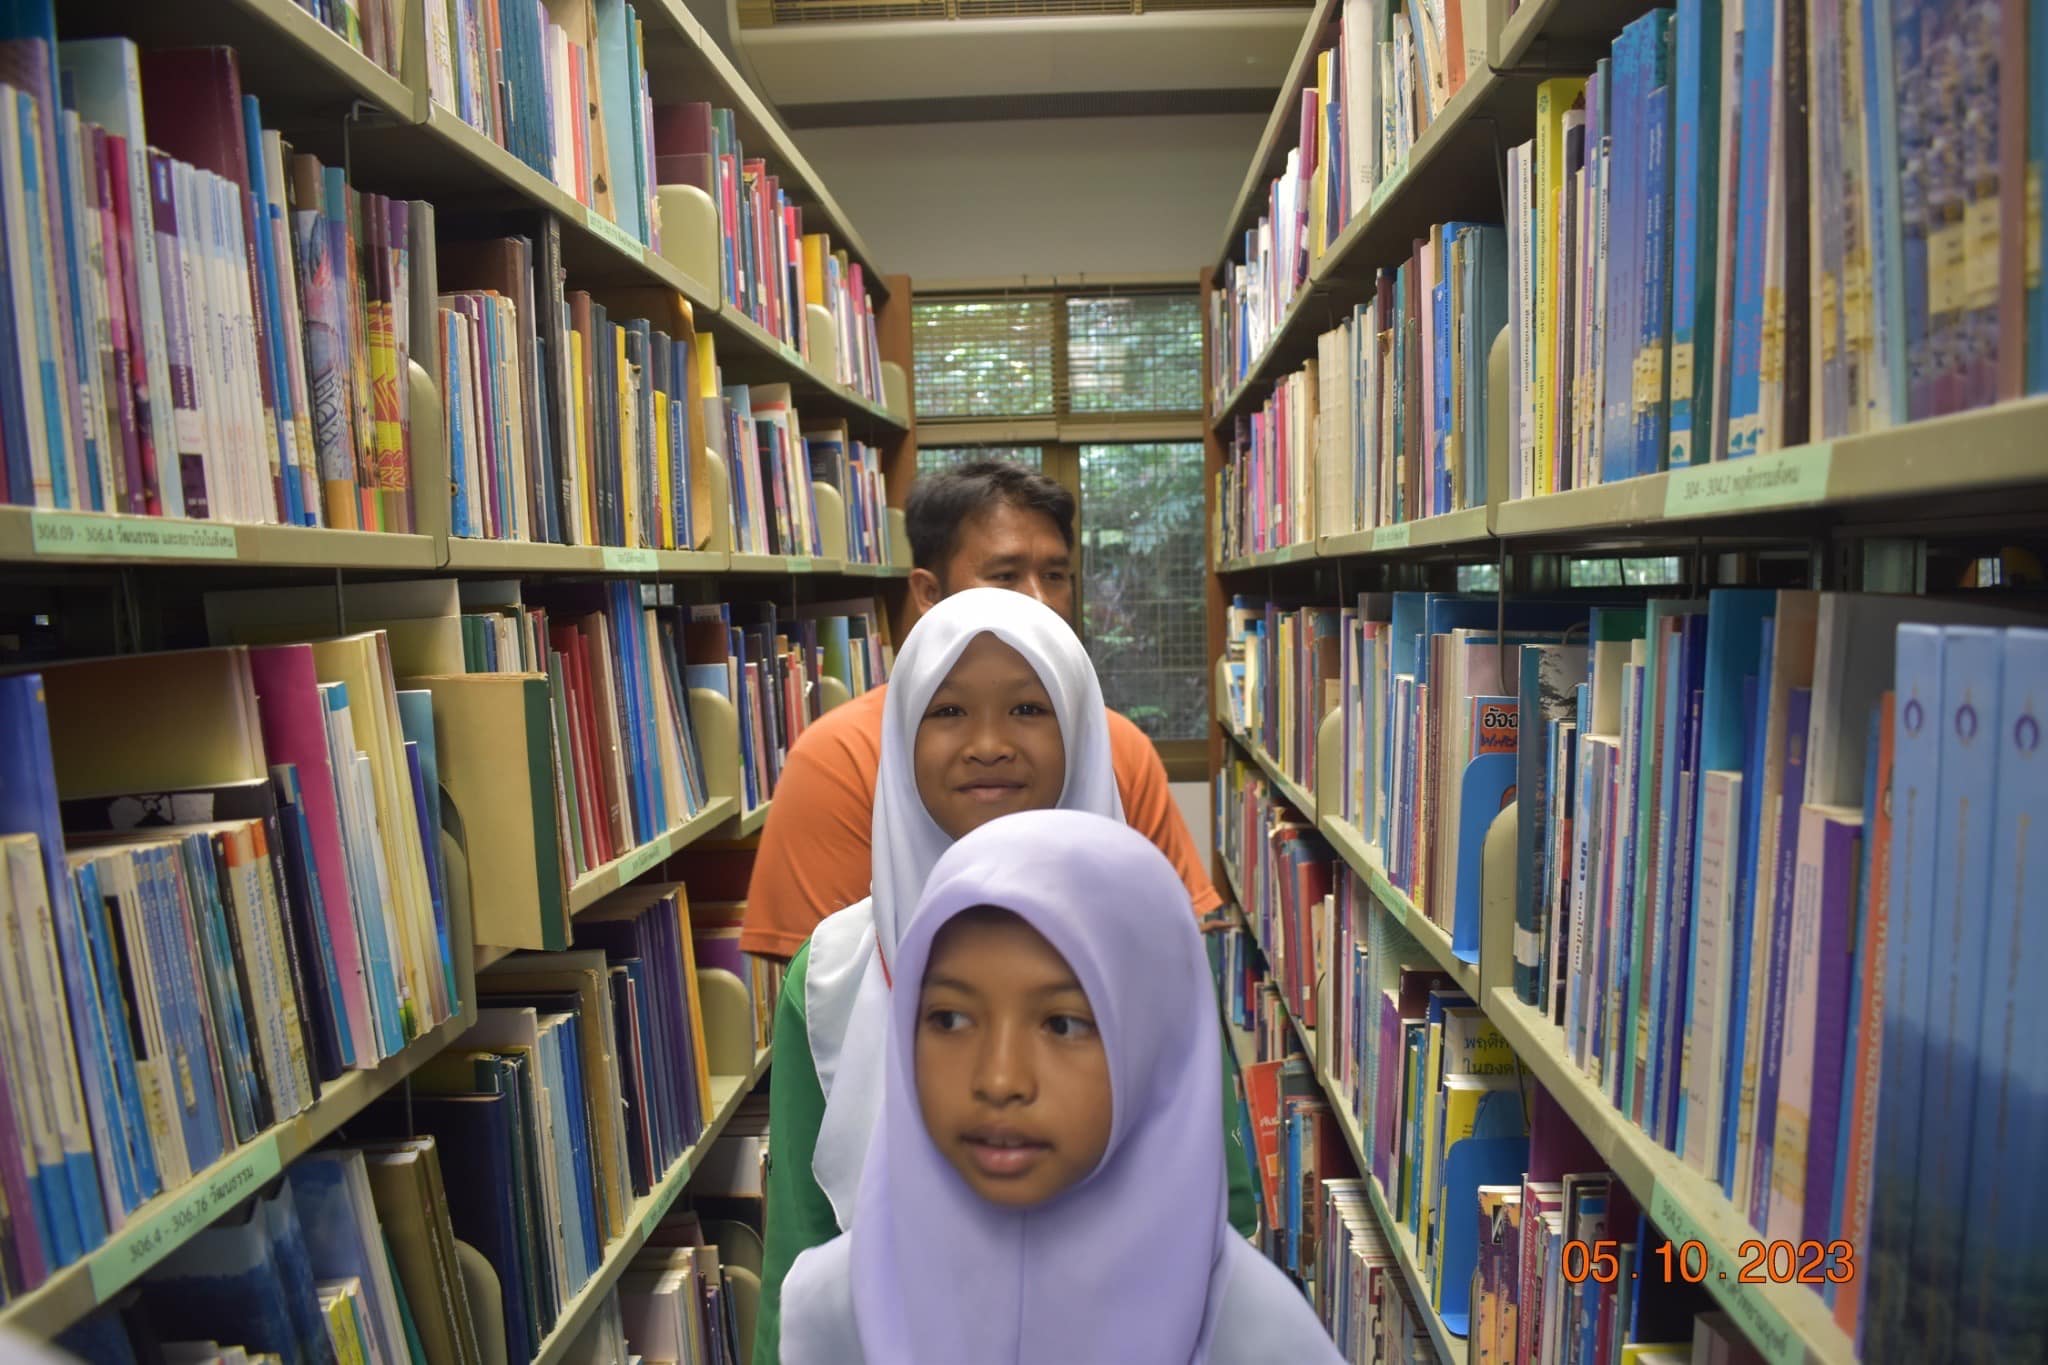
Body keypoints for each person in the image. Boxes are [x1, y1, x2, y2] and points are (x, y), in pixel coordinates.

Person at [754, 590, 1258, 1364]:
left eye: (1028, 708)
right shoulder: (830, 975)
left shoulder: (1149, 957)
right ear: (901, 732)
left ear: (1080, 729)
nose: (988, 745)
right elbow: (798, 1240)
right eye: (948, 711)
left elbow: (1223, 1210)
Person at [780, 810, 1343, 1365]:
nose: (999, 1080)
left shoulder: (1256, 1335)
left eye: (1063, 1025)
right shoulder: (830, 1309)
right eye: (949, 1019)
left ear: (1152, 1049)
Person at [737, 459, 1219, 963]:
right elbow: (821, 981)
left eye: (1055, 575)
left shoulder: (1120, 748)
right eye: (1005, 575)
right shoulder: (839, 757)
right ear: (928, 593)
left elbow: (1168, 951)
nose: (1039, 600)